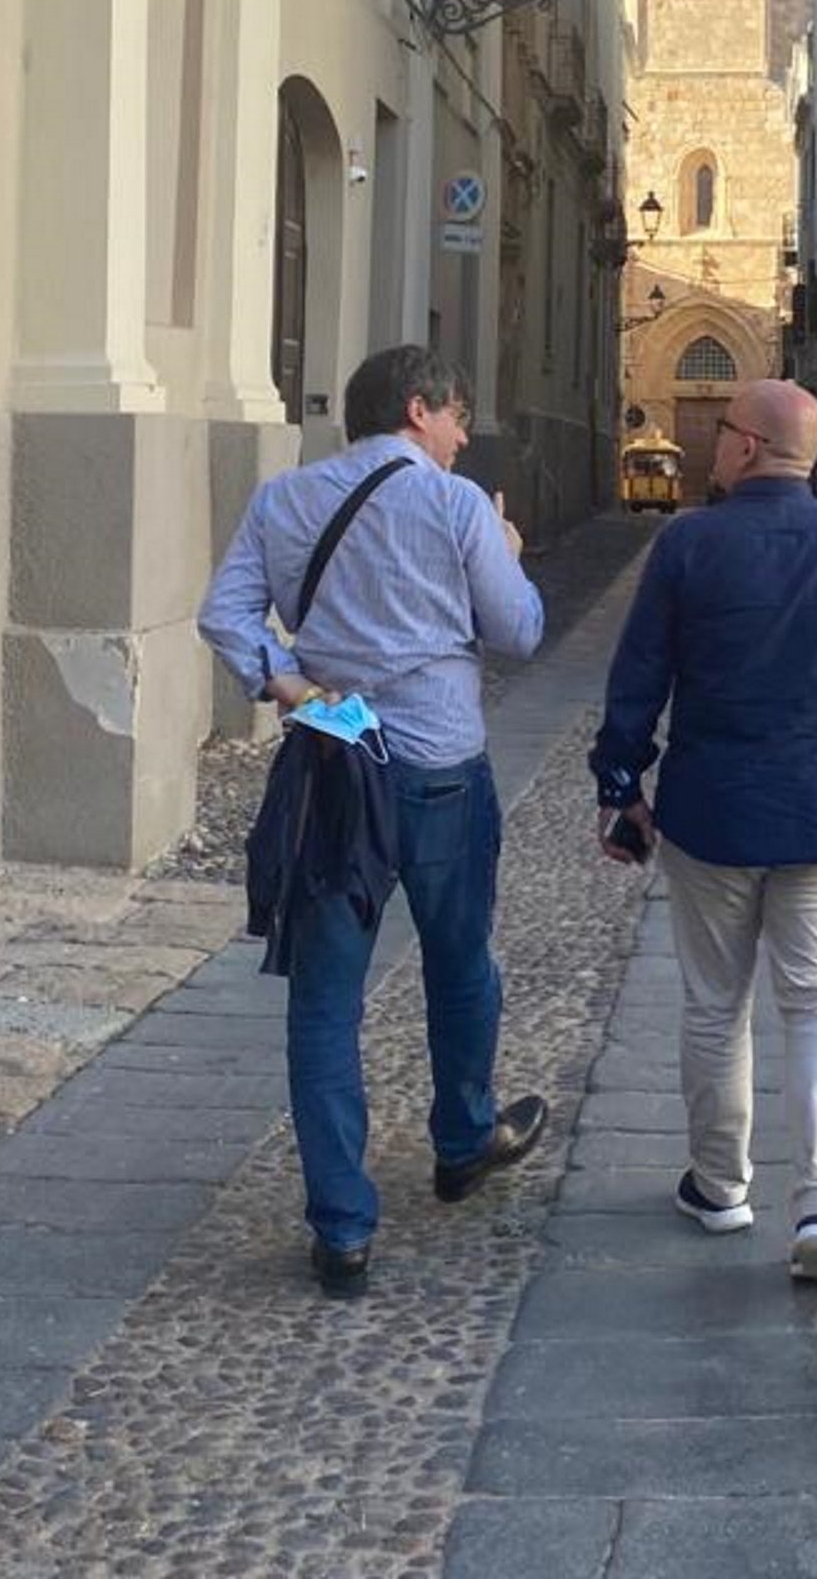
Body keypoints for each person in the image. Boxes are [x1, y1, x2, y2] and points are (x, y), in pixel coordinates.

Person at [199, 344, 548, 1295]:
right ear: (417, 408)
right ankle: (464, 1138)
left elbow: (224, 614)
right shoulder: (456, 504)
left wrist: (284, 681)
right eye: (458, 414)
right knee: (460, 958)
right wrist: (508, 558)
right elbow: (519, 632)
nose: (465, 434)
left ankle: (343, 1227)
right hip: (437, 764)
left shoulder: (284, 500)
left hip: (333, 757)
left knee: (324, 1001)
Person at [590, 378, 817, 1293]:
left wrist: (622, 786)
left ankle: (721, 1183)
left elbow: (638, 681)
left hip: (712, 812)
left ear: (743, 446)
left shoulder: (688, 544)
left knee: (713, 1002)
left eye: (723, 431)